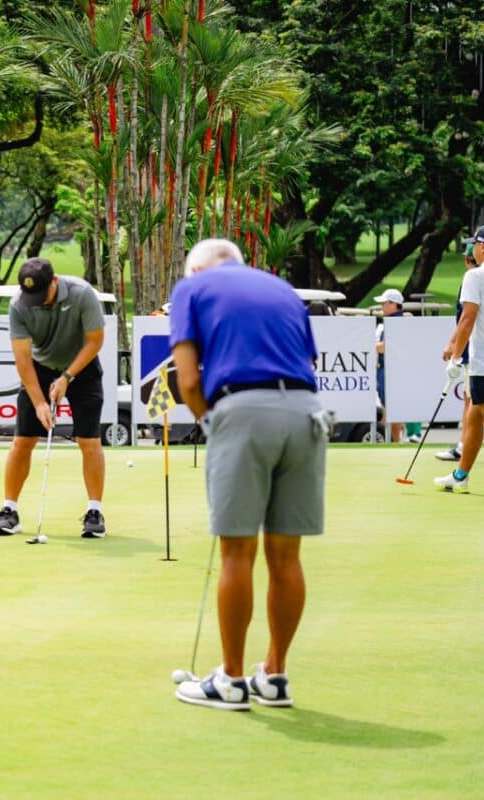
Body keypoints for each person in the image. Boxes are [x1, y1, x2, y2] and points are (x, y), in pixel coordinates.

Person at [168, 238, 327, 711]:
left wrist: (209, 421)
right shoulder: (281, 288)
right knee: (286, 555)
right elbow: (307, 362)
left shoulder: (191, 289)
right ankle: (274, 674)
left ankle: (231, 680)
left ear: (197, 268)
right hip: (306, 412)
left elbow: (189, 380)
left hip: (242, 408)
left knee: (238, 551)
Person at [0, 257, 109, 539]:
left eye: (42, 295)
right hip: (39, 367)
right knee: (23, 440)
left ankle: (94, 511)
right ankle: (9, 510)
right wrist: (40, 402)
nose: (38, 302)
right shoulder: (19, 304)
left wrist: (67, 377)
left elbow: (95, 340)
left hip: (82, 364)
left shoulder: (82, 294)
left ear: (55, 282)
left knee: (89, 440)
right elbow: (22, 358)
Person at [435, 224, 484, 496]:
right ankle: (460, 475)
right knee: (474, 418)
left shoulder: (475, 276)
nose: (474, 249)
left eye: (475, 244)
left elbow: (468, 317)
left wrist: (455, 356)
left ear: (483, 247)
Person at [435, 240, 480, 462]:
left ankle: (463, 448)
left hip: (478, 353)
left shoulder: (472, 280)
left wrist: (454, 350)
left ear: (466, 259)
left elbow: (466, 318)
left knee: (473, 402)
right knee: (477, 402)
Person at [373, 289, 422, 443]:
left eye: (384, 302)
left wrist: (368, 345)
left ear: (394, 304)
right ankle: (393, 441)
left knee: (394, 409)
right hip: (388, 370)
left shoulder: (396, 322)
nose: (382, 305)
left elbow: (388, 347)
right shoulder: (393, 322)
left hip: (392, 372)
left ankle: (394, 443)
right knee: (391, 409)